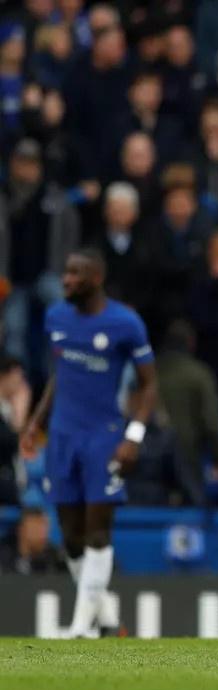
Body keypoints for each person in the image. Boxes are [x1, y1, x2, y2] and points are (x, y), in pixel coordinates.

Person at [19, 249, 158, 638]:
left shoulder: (125, 323)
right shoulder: (56, 317)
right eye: (66, 272)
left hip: (104, 438)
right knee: (71, 536)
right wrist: (37, 421)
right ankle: (108, 620)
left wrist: (133, 435)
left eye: (76, 274)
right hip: (62, 435)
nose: (66, 280)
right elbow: (60, 373)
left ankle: (82, 628)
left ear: (96, 279)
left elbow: (149, 384)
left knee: (98, 532)